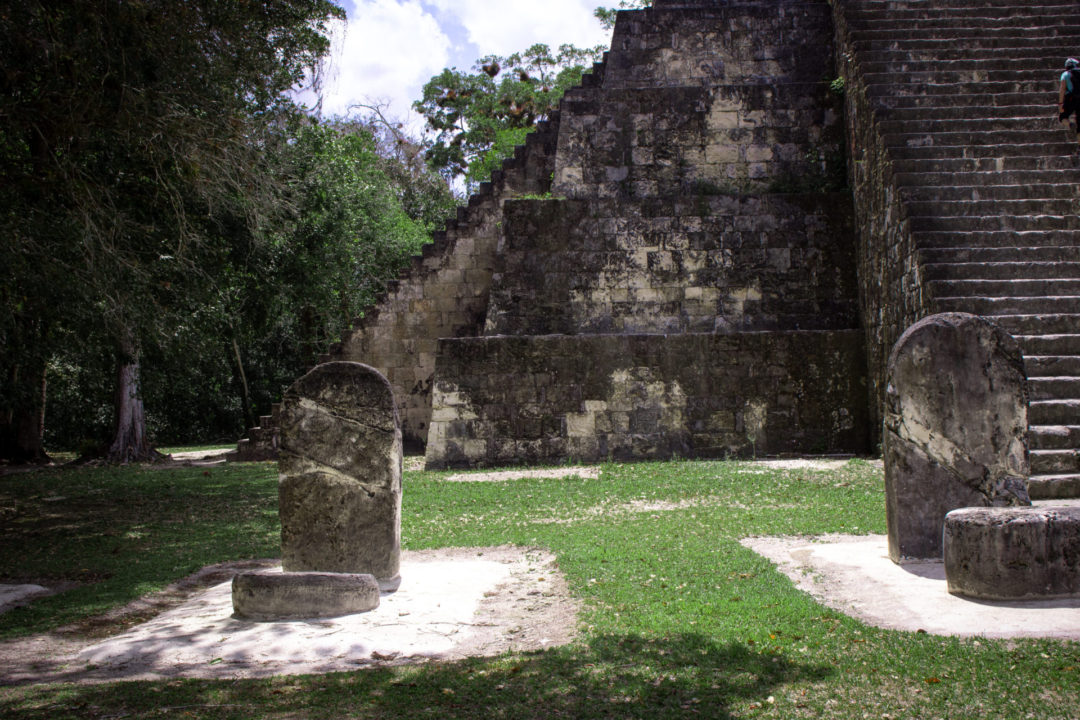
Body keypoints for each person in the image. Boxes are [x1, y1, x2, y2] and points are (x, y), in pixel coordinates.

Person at [1059, 58, 1080, 149]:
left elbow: (1062, 89)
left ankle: (1070, 125)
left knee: (1062, 117)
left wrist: (1060, 104)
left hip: (1071, 99)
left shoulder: (1065, 74)